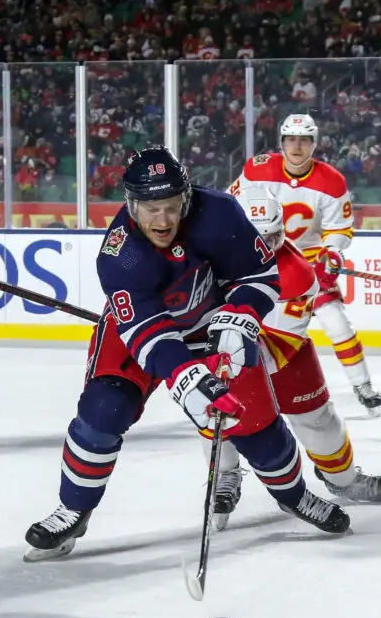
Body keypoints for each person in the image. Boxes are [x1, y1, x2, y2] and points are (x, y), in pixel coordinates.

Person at [25, 147, 350, 562]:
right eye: (150, 209)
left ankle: (294, 496)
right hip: (144, 335)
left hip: (215, 327)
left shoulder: (219, 213)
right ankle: (74, 508)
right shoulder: (120, 255)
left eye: (172, 207)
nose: (162, 221)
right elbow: (149, 335)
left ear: (186, 198)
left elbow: (260, 274)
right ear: (131, 204)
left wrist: (241, 316)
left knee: (258, 429)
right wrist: (186, 377)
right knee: (103, 409)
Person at [211, 192, 381, 528]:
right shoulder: (210, 255)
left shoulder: (297, 274)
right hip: (229, 350)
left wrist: (230, 344)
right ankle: (226, 474)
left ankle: (343, 479)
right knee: (214, 407)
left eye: (271, 237)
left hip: (282, 356)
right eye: (257, 237)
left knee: (319, 422)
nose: (265, 247)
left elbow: (278, 347)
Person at [228, 114, 381, 414]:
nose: (296, 146)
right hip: (259, 262)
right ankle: (241, 389)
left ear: (314, 144)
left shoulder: (332, 181)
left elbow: (340, 229)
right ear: (281, 142)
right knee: (247, 326)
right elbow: (232, 205)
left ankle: (363, 386)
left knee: (337, 323)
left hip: (308, 266)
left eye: (303, 140)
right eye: (290, 139)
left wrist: (332, 254)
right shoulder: (257, 169)